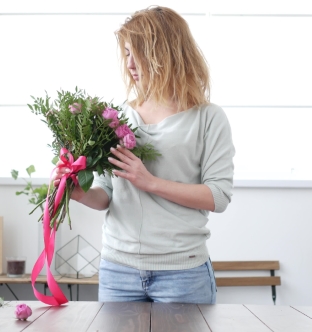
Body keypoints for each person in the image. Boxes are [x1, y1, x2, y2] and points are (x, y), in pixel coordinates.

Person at [53, 6, 235, 304]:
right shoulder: (117, 117)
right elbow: (107, 194)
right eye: (126, 53)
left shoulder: (208, 118)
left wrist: (150, 182)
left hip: (182, 273)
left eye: (138, 53)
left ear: (166, 54)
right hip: (118, 270)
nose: (130, 64)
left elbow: (218, 197)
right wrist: (76, 192)